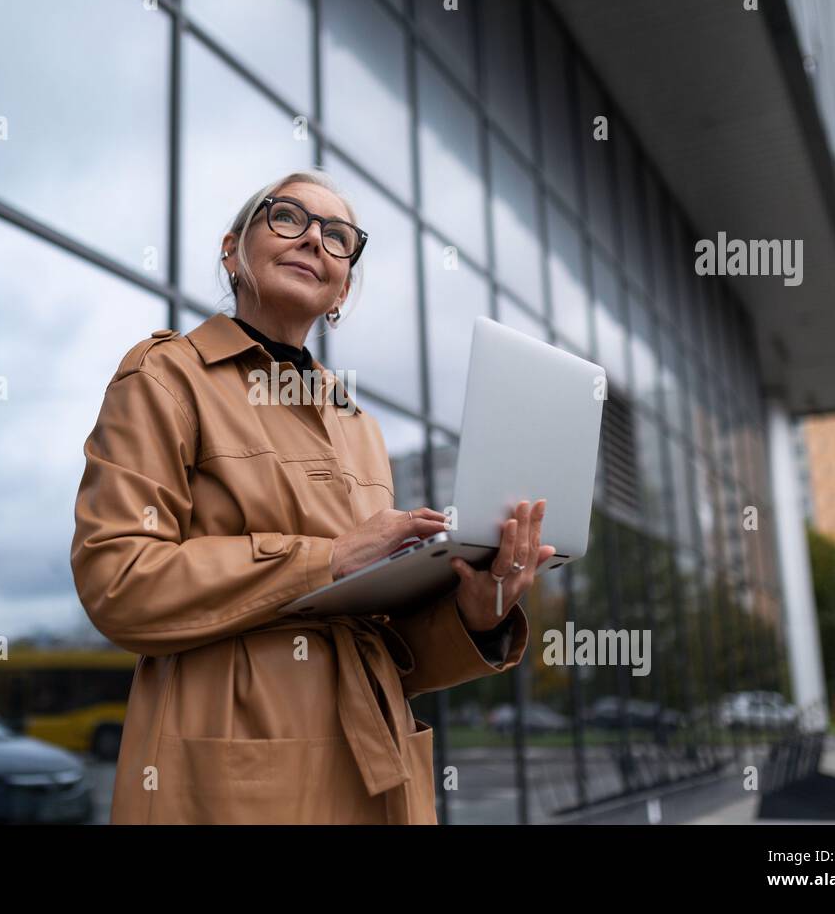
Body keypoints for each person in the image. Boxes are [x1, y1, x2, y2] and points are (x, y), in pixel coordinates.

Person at [70, 169, 554, 823]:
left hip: (376, 768)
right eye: (287, 219)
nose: (314, 242)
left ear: (342, 288)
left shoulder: (358, 424)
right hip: (232, 765)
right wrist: (323, 560)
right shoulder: (165, 377)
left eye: (337, 237)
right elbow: (118, 581)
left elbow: (385, 649)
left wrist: (476, 614)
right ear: (231, 251)